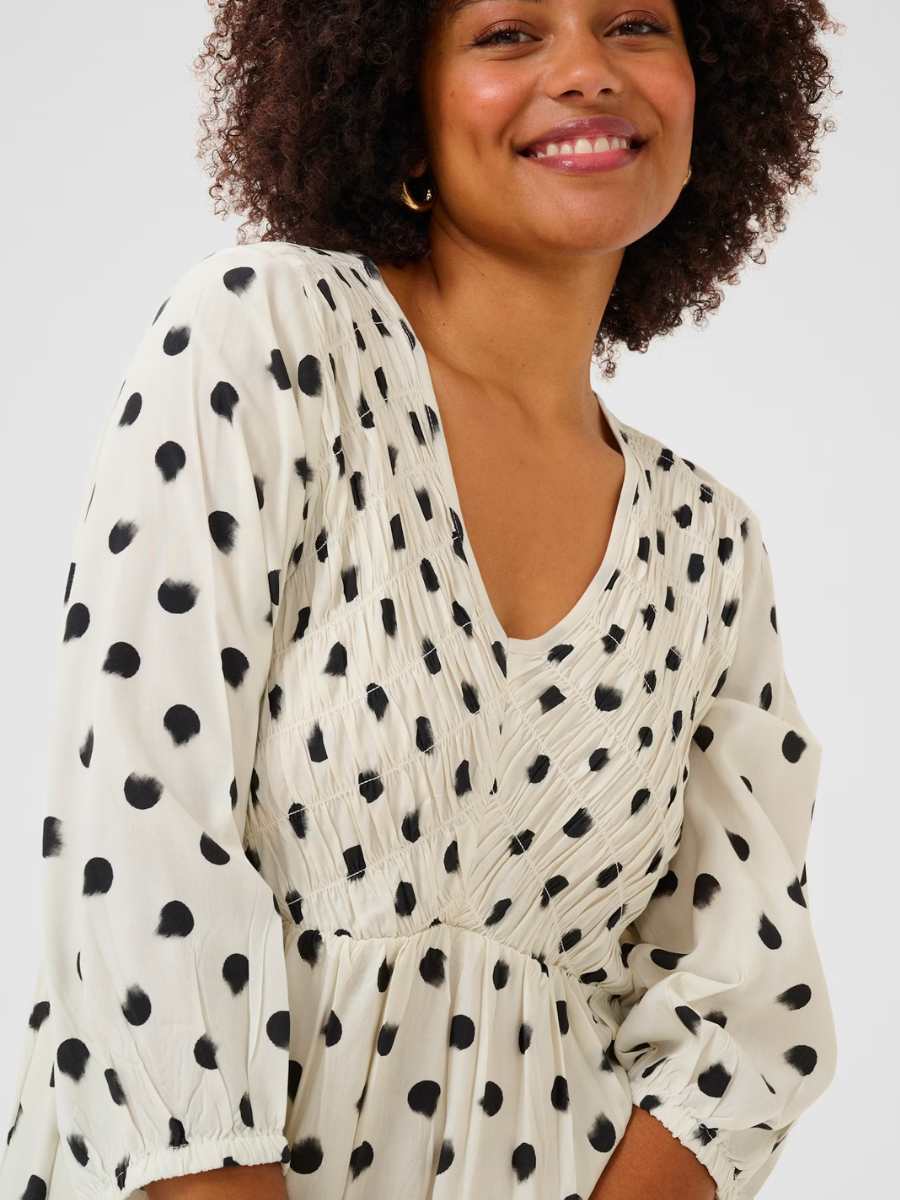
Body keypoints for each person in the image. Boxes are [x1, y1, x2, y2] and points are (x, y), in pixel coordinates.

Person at [0, 2, 843, 1198]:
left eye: (635, 25)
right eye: (508, 34)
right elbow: (140, 852)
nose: (587, 72)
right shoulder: (268, 343)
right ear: (400, 100)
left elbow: (748, 1018)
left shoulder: (709, 548)